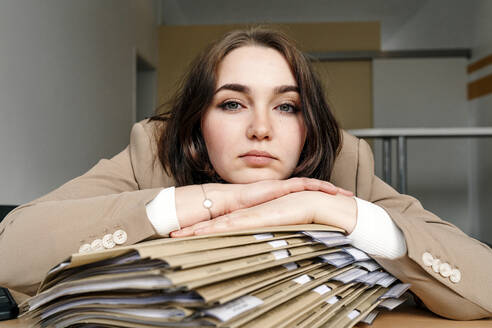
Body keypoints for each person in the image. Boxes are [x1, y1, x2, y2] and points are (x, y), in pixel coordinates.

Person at [0, 27, 491, 320]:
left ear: (309, 126)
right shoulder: (153, 150)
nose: (260, 129)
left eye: (287, 106)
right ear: (196, 121)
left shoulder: (341, 161)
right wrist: (205, 200)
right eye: (232, 103)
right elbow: (10, 249)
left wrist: (337, 209)